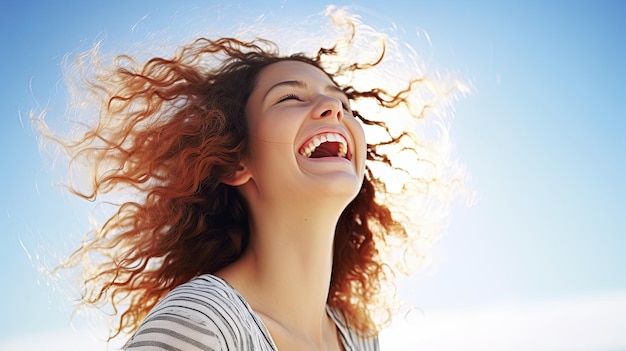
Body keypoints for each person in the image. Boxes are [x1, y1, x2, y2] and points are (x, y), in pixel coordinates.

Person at [45, 6, 464, 351]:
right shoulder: (203, 323)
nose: (332, 109)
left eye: (342, 104)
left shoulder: (358, 337)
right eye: (290, 97)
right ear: (234, 162)